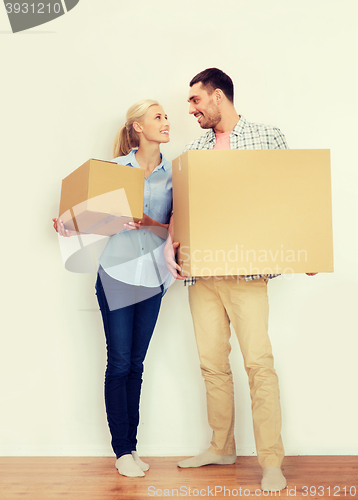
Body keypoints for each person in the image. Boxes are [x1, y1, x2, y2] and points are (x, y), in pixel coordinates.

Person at [165, 68, 316, 491]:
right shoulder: (194, 148)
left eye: (196, 101)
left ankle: (271, 461)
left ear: (217, 97)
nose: (191, 109)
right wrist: (169, 243)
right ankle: (221, 446)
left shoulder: (267, 136)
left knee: (258, 365)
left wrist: (306, 247)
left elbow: (293, 194)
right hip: (202, 274)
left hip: (247, 273)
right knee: (212, 365)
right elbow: (182, 207)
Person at [54, 100, 172, 478]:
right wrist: (66, 225)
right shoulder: (113, 171)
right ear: (137, 127)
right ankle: (121, 450)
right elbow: (83, 221)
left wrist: (148, 220)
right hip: (117, 276)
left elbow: (177, 228)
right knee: (119, 362)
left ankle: (132, 447)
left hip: (154, 279)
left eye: (166, 116)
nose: (166, 122)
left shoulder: (175, 174)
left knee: (137, 365)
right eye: (158, 117)